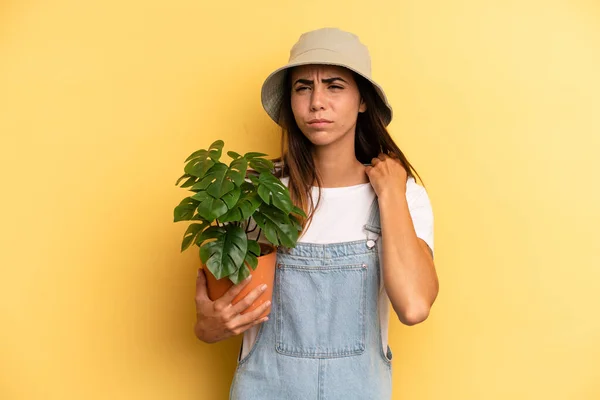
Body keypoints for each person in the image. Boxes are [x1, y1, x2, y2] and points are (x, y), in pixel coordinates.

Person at [194, 27, 439, 399]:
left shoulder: (404, 197)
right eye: (303, 87)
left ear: (362, 101)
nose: (316, 102)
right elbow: (211, 324)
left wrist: (389, 193)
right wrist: (211, 325)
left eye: (335, 86)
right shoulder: (254, 193)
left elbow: (415, 306)